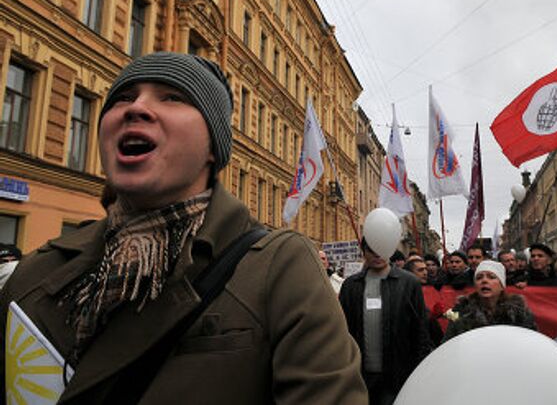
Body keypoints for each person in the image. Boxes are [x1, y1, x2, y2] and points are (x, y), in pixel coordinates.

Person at [0, 53, 366, 404]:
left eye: (173, 97)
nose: (136, 107)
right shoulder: (37, 271)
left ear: (213, 147)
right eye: (123, 97)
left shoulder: (279, 268)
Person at [339, 237, 431, 405]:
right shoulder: (351, 286)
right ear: (364, 252)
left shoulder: (409, 283)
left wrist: (420, 372)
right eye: (372, 250)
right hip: (361, 378)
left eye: (382, 248)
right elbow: (342, 332)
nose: (377, 254)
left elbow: (420, 332)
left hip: (398, 376)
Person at [443, 260, 536, 342]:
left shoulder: (519, 311)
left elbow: (532, 341)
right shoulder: (461, 310)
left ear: (502, 285)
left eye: (491, 277)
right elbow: (449, 342)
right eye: (479, 278)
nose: (484, 281)